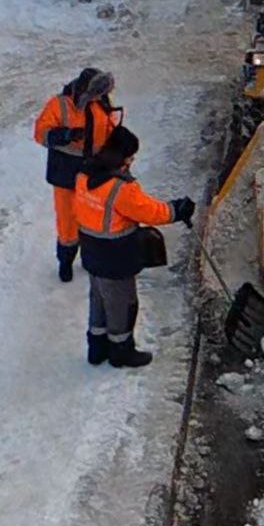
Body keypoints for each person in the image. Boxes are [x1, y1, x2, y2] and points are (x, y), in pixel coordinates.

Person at [74, 125, 195, 369]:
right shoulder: (120, 188)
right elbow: (149, 211)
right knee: (122, 305)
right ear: (120, 157)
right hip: (115, 256)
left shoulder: (84, 175)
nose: (132, 160)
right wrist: (176, 209)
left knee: (98, 301)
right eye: (130, 155)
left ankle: (96, 349)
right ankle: (121, 352)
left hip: (91, 251)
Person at [33, 68, 120, 282]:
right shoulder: (60, 105)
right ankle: (66, 261)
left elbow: (109, 133)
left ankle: (90, 257)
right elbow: (40, 133)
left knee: (93, 219)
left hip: (93, 173)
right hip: (65, 175)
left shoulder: (102, 103)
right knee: (67, 223)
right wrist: (65, 135)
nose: (101, 97)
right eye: (98, 93)